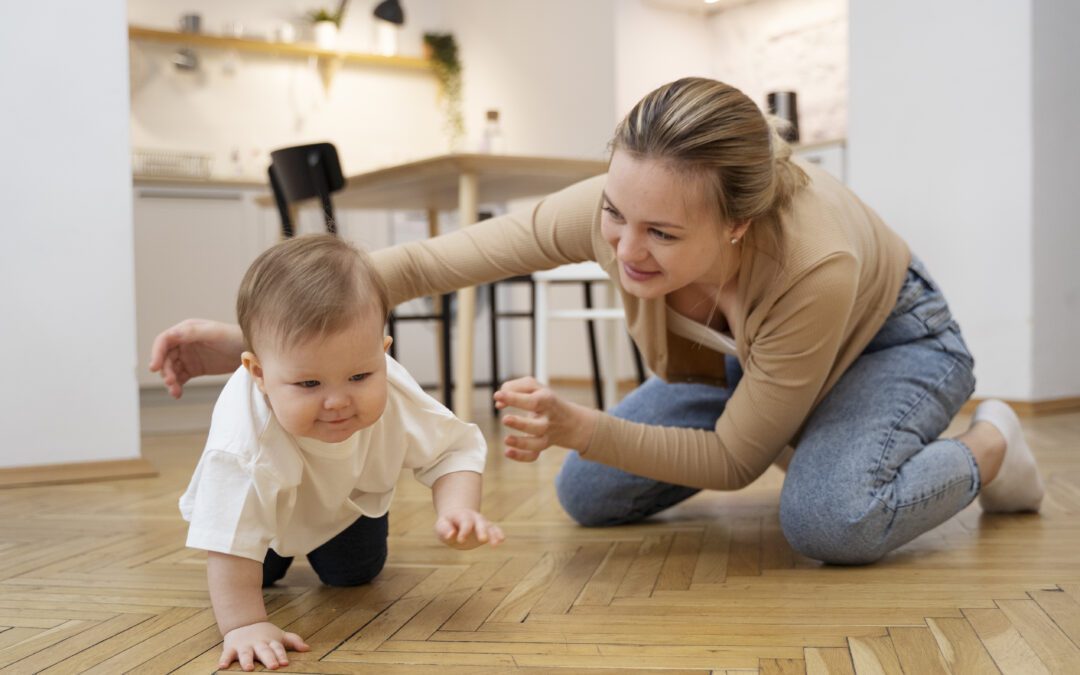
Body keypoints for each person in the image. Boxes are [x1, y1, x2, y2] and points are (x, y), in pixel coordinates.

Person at [153, 77, 1043, 573]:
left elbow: (735, 463)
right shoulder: (619, 209)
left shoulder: (813, 265)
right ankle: (823, 444)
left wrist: (581, 422)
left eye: (661, 233)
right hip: (752, 372)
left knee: (828, 519)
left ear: (735, 224)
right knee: (588, 494)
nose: (624, 248)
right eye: (616, 213)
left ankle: (993, 446)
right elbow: (423, 265)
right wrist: (252, 339)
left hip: (893, 344)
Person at [178, 234, 503, 672]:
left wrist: (458, 509)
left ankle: (324, 542)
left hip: (345, 501)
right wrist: (244, 624)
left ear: (383, 354)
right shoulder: (243, 443)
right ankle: (271, 558)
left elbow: (453, 450)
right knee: (256, 569)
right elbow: (229, 541)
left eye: (359, 375)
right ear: (259, 374)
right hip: (265, 512)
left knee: (353, 575)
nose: (337, 401)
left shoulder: (395, 392)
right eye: (309, 384)